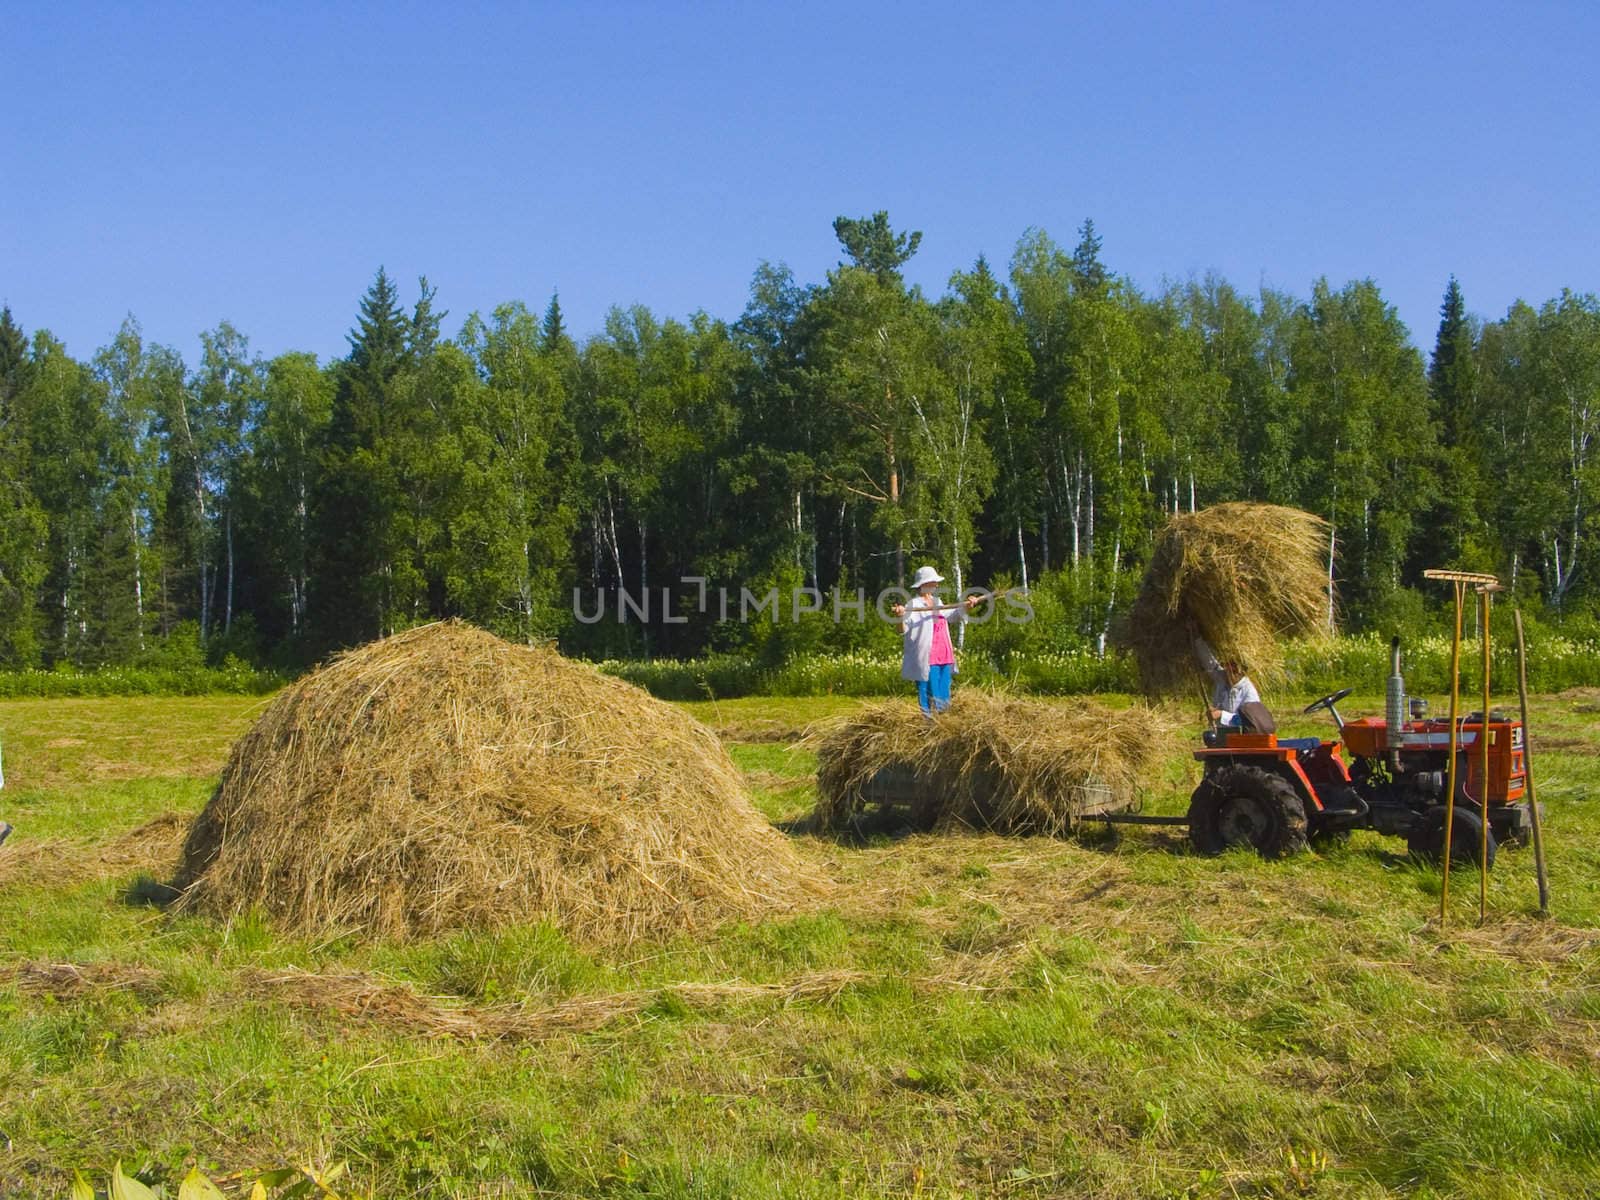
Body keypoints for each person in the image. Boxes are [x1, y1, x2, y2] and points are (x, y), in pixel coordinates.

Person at [892, 566, 982, 715]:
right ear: (924, 584)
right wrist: (900, 616)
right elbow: (902, 630)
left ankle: (944, 721)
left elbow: (953, 615)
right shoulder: (913, 605)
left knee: (943, 691)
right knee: (928, 691)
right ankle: (929, 723)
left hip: (944, 654)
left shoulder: (937, 601)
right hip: (927, 656)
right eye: (934, 582)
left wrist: (968, 606)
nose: (937, 585)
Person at [1193, 634, 1275, 739]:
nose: (1229, 671)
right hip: (1222, 734)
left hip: (1243, 739)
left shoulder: (1249, 691)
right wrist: (1197, 638)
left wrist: (1222, 715)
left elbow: (1249, 721)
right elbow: (1209, 662)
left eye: (1233, 668)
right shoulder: (1222, 679)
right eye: (1228, 666)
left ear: (1241, 671)